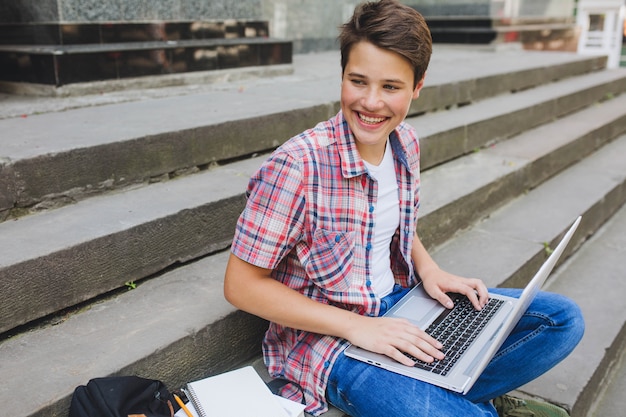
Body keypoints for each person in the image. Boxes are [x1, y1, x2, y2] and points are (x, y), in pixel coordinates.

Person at [223, 1, 585, 416]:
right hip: (331, 342)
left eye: (391, 87)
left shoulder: (405, 143)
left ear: (417, 86)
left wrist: (430, 270)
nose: (372, 102)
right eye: (358, 81)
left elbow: (389, 223)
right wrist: (360, 327)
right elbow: (241, 284)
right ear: (342, 75)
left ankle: (444, 393)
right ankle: (456, 399)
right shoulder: (297, 166)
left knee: (561, 320)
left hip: (403, 306)